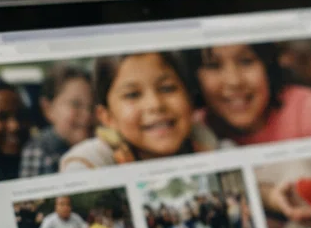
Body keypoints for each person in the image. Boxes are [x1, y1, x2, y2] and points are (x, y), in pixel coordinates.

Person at [60, 52, 218, 170]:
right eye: (132, 94)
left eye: (167, 88)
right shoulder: (91, 162)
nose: (155, 104)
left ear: (190, 99)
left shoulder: (213, 147)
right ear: (107, 117)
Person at [193, 43, 311, 146]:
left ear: (268, 67)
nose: (234, 81)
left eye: (246, 61)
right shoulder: (196, 128)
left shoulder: (304, 109)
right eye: (213, 66)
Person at [19, 64, 94, 177]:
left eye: (92, 106)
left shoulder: (98, 146)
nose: (87, 115)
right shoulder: (39, 152)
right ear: (48, 109)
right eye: (75, 104)